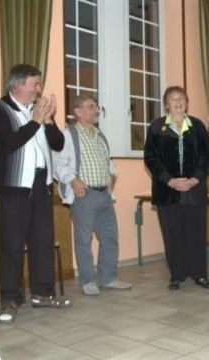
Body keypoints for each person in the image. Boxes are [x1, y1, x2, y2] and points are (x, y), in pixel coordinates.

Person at [0, 64, 70, 323]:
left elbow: (57, 144)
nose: (39, 89)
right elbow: (5, 145)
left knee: (42, 241)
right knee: (12, 243)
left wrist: (48, 121)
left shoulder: (38, 111)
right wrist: (36, 121)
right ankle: (9, 298)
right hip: (13, 187)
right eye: (35, 84)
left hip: (41, 185)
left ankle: (43, 294)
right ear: (18, 85)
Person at [53, 95, 132, 295]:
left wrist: (112, 178)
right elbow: (57, 164)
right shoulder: (68, 134)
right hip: (84, 195)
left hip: (104, 195)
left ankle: (108, 278)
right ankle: (88, 281)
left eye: (96, 106)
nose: (96, 109)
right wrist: (73, 180)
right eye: (91, 106)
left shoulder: (100, 135)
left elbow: (109, 162)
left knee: (110, 237)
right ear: (78, 112)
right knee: (83, 240)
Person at [144, 86, 209, 291]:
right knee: (172, 233)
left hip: (195, 189)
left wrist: (195, 179)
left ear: (187, 102)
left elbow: (207, 156)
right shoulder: (157, 126)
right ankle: (176, 275)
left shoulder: (198, 125)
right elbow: (151, 158)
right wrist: (169, 180)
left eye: (181, 98)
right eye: (173, 99)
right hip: (167, 190)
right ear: (166, 104)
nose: (177, 102)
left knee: (196, 233)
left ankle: (200, 275)